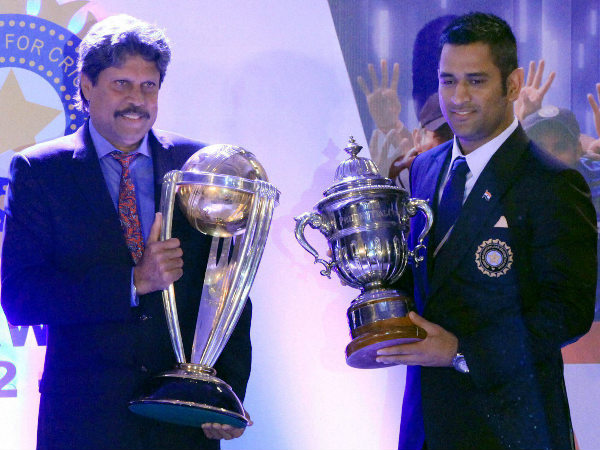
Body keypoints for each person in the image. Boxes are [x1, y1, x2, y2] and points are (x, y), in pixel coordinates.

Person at [0, 14, 251, 450]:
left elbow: (228, 285)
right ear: (86, 85)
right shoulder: (41, 172)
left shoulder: (199, 166)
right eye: (121, 84)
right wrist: (132, 282)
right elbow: (21, 297)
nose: (137, 99)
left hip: (182, 420)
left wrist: (228, 389)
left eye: (148, 86)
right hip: (84, 422)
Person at [376, 12, 597, 450]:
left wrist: (461, 351)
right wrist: (375, 286)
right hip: (425, 422)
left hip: (512, 426)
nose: (458, 97)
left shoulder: (552, 182)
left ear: (512, 85)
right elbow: (422, 274)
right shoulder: (425, 167)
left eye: (475, 81)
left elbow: (567, 312)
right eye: (448, 80)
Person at [389, 92, 453, 190]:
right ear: (418, 139)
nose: (454, 145)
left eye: (460, 137)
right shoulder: (403, 181)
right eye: (442, 136)